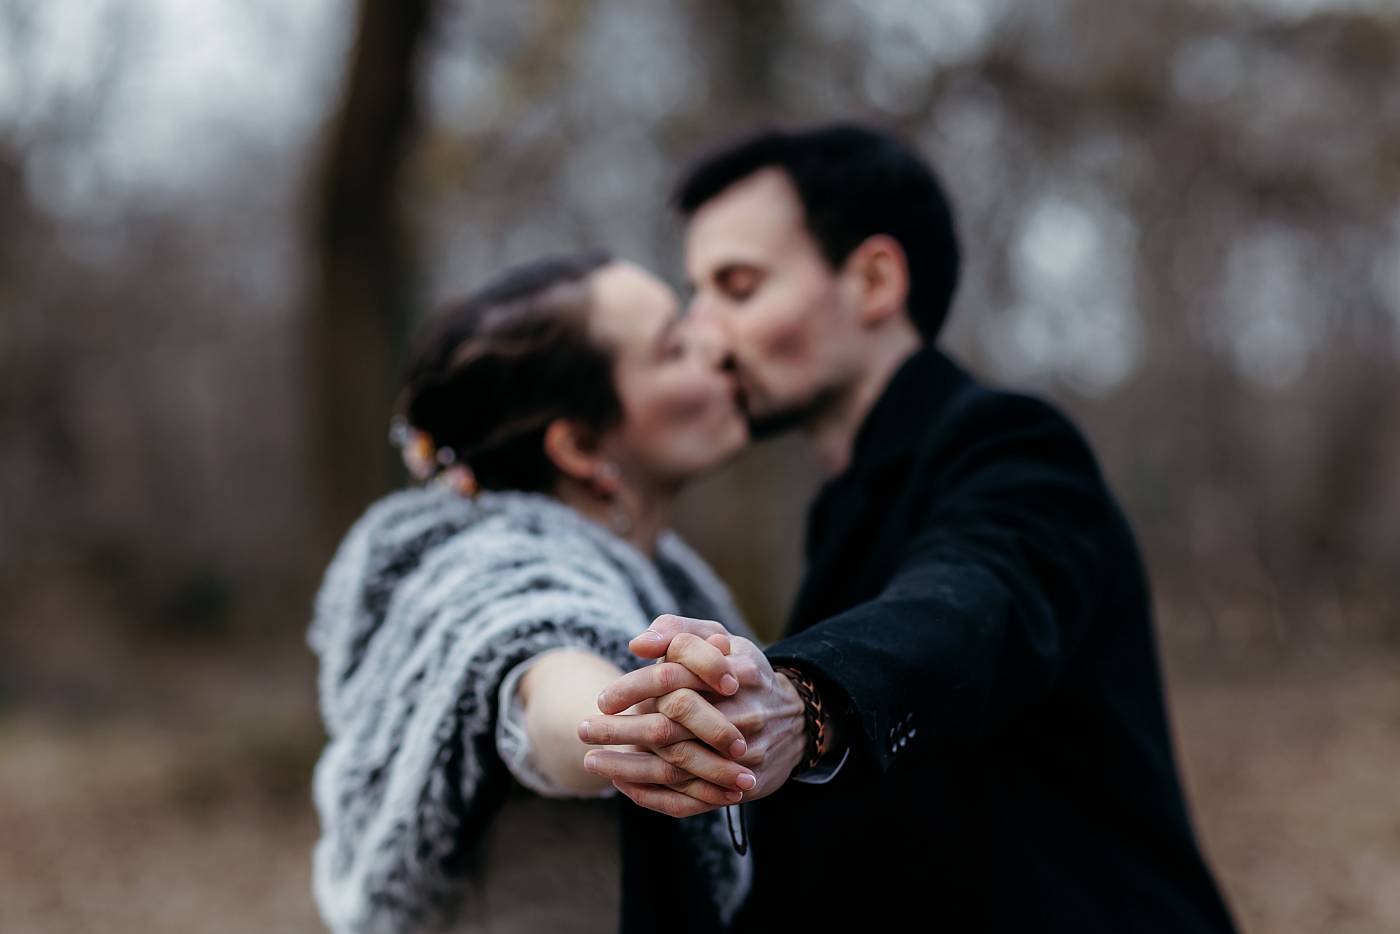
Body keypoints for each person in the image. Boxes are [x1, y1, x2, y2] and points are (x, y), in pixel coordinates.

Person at [580, 124, 1239, 932]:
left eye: (739, 287)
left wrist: (804, 700)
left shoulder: (1011, 445)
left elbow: (974, 600)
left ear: (874, 280)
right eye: (698, 294)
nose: (706, 336)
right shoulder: (848, 503)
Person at [307, 252, 758, 934]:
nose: (718, 347)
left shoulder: (661, 569)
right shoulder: (493, 564)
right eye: (674, 348)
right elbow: (535, 658)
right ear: (580, 445)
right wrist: (638, 716)